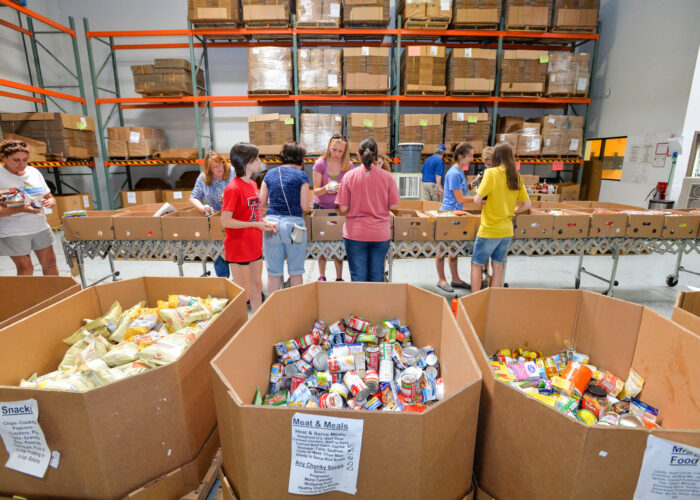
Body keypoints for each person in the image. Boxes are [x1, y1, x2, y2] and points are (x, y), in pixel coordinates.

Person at [221, 143, 277, 312]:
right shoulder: (233, 188)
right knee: (244, 294)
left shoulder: (252, 184)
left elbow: (253, 214)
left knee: (257, 287)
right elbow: (226, 221)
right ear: (246, 161)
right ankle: (235, 328)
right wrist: (256, 224)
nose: (260, 162)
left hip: (254, 245)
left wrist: (265, 223)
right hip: (239, 248)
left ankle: (258, 323)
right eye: (257, 158)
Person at [336, 138, 400, 282]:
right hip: (380, 234)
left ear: (358, 155)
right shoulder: (387, 177)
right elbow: (394, 206)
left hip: (355, 234)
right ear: (376, 156)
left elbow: (343, 208)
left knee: (358, 277)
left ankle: (360, 305)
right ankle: (374, 305)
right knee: (377, 275)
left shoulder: (349, 177)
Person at [471, 142, 531, 292]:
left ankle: (474, 299)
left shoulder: (491, 173)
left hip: (490, 229)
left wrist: (478, 192)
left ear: (496, 156)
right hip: (506, 230)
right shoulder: (516, 176)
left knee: (476, 265)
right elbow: (527, 204)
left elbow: (477, 200)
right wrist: (512, 211)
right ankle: (494, 299)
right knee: (497, 266)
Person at [0, 140, 58, 276]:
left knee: (50, 263)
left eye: (25, 160)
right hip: (13, 231)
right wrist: (21, 209)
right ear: (3, 157)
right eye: (16, 160)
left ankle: (55, 296)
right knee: (25, 268)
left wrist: (51, 201)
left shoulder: (33, 172)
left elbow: (49, 196)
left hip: (39, 227)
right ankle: (27, 297)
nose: (22, 165)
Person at [259, 143, 311, 294]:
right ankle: (295, 311)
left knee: (273, 273)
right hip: (295, 225)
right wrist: (310, 207)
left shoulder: (269, 174)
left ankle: (274, 310)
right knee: (296, 271)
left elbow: (261, 203)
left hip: (271, 224)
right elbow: (304, 206)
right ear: (301, 159)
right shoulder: (302, 176)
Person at [312, 134, 353, 281]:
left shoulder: (348, 165)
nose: (336, 154)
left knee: (338, 241)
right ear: (329, 146)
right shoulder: (320, 163)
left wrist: (344, 189)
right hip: (321, 207)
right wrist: (326, 189)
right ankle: (322, 275)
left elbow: (352, 188)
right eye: (334, 150)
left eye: (340, 151)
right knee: (322, 241)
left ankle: (339, 277)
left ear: (345, 151)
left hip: (339, 209)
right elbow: (316, 190)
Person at [435, 142, 475, 293]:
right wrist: (477, 198)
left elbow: (461, 191)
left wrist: (472, 187)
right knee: (443, 248)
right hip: (447, 215)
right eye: (470, 156)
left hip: (456, 215)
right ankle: (441, 279)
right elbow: (460, 198)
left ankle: (456, 279)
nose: (471, 159)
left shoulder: (459, 172)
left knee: (454, 248)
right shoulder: (454, 173)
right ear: (461, 156)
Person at [190, 151, 233, 278]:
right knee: (218, 251)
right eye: (215, 167)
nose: (220, 168)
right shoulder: (203, 178)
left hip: (234, 218)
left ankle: (241, 283)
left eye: (221, 164)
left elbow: (246, 189)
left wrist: (231, 195)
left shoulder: (233, 172)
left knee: (236, 252)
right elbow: (194, 197)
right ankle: (224, 281)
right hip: (215, 220)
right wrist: (202, 208)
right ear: (209, 169)